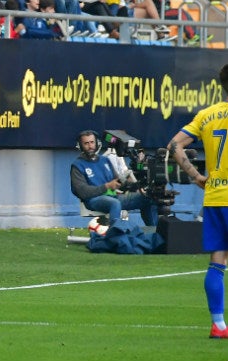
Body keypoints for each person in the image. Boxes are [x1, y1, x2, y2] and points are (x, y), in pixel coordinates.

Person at [166, 64, 228, 339]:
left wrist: (195, 175)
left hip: (215, 194)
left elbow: (175, 145)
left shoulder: (207, 115)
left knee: (218, 259)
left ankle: (219, 324)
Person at [70, 130, 158, 227]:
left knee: (148, 198)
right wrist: (107, 186)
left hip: (114, 196)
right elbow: (82, 192)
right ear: (80, 146)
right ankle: (115, 236)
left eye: (92, 142)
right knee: (114, 203)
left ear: (97, 143)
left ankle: (155, 233)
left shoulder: (105, 160)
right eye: (86, 143)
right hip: (93, 200)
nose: (90, 146)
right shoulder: (77, 165)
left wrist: (135, 186)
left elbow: (118, 182)